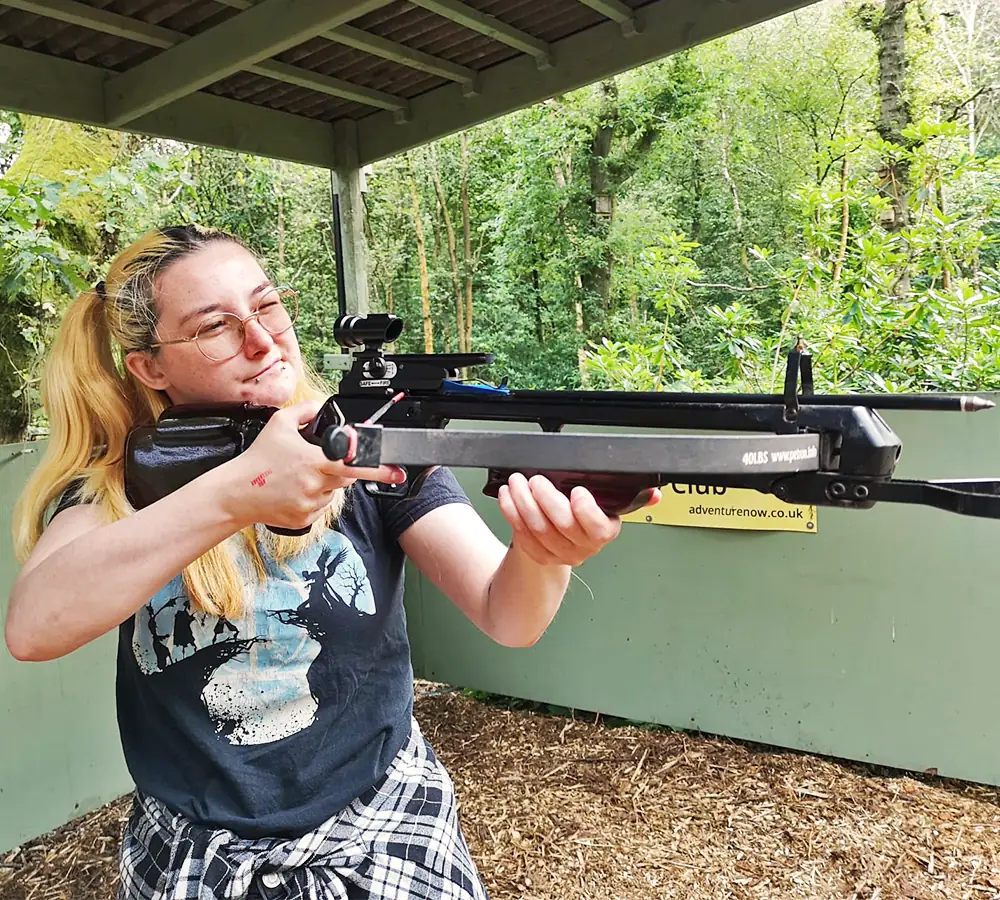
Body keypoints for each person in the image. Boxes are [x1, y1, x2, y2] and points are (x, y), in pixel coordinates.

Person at [6, 224, 658, 900]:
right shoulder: (121, 487)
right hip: (197, 852)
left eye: (266, 306)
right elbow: (34, 627)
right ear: (151, 367)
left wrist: (543, 554)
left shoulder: (366, 447)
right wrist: (234, 495)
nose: (261, 340)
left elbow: (508, 613)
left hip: (384, 824)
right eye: (213, 328)